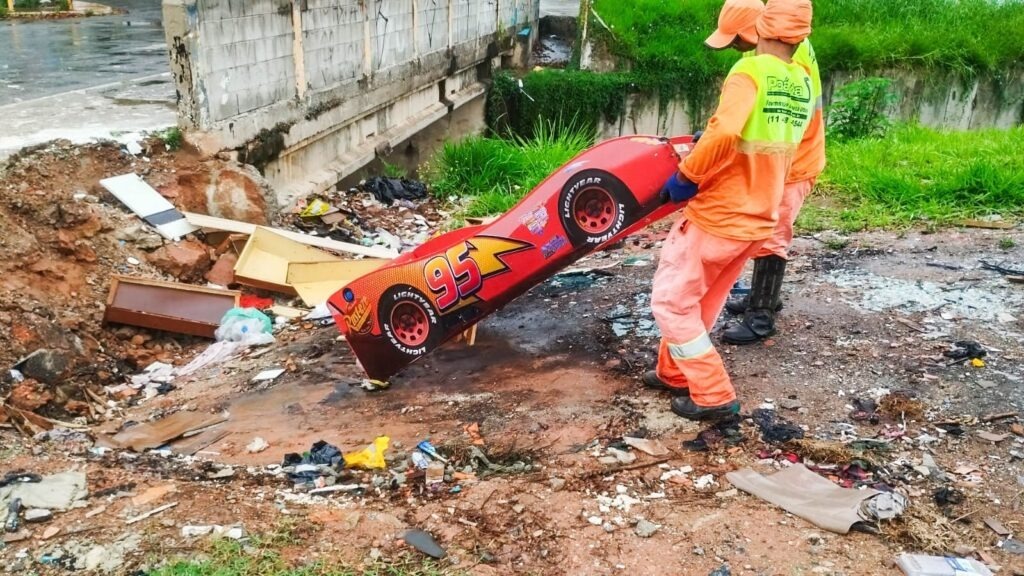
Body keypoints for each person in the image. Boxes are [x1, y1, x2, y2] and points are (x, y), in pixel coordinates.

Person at [646, 0, 816, 421]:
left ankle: (713, 394)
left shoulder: (750, 72)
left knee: (671, 301)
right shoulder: (801, 82)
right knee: (702, 298)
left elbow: (725, 132)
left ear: (762, 26)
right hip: (759, 214)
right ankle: (675, 372)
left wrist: (688, 175)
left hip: (722, 212)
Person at [704, 1, 827, 345]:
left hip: (793, 160)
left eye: (737, 39)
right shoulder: (772, 46)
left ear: (757, 29)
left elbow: (777, 115)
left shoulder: (788, 53)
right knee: (761, 229)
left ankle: (761, 317)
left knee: (772, 234)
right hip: (781, 156)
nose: (735, 46)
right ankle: (763, 296)